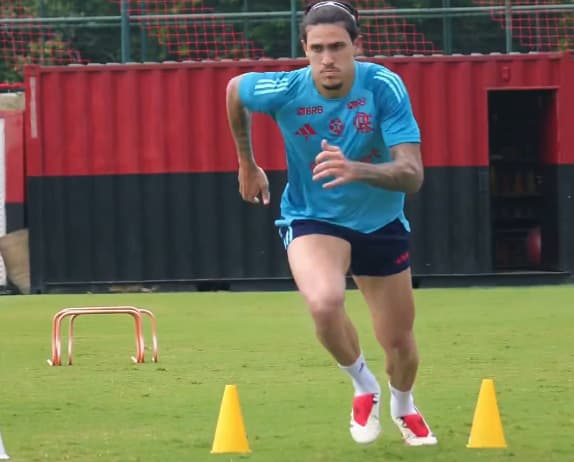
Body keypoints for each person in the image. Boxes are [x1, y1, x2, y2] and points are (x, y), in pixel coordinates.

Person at [225, 0, 437, 447]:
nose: (327, 58)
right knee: (323, 303)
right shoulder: (284, 88)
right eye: (317, 47)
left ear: (356, 46)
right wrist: (247, 162)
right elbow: (234, 91)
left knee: (399, 343)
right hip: (313, 218)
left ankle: (403, 403)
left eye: (337, 46)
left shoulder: (384, 87)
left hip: (381, 223)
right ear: (303, 48)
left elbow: (413, 175)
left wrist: (357, 169)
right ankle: (364, 386)